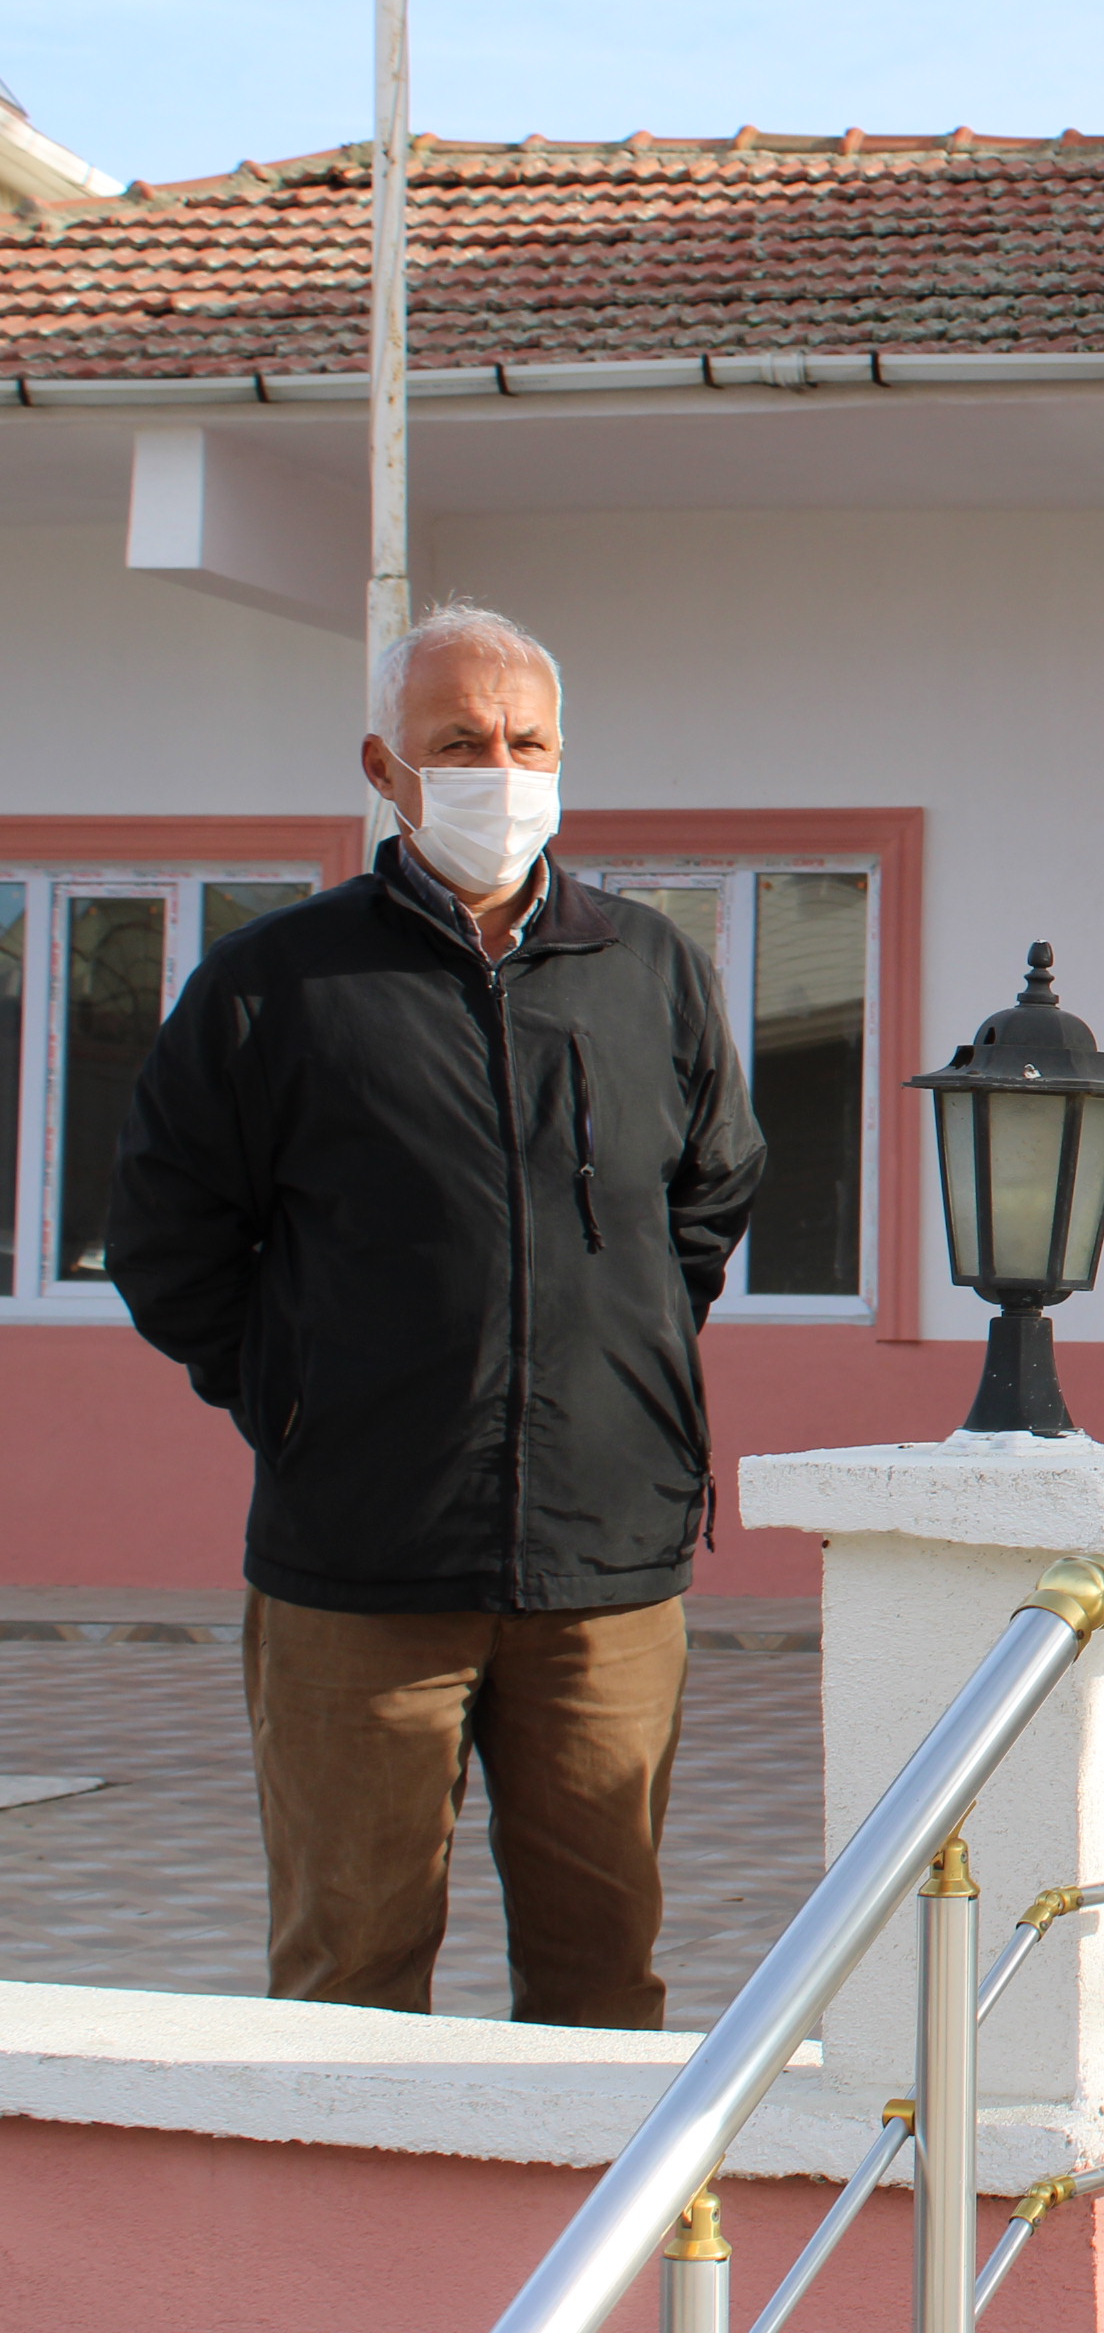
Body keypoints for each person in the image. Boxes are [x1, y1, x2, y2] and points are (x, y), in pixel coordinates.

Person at [105, 603, 765, 2028]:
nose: (499, 767)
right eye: (458, 742)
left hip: (607, 1565)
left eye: (526, 740)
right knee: (350, 1978)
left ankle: (577, 2259)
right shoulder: (275, 987)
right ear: (384, 769)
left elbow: (705, 1206)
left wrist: (612, 1364)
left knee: (604, 1984)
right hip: (359, 1566)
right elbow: (168, 1241)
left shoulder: (656, 974)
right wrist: (299, 1393)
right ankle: (341, 2261)